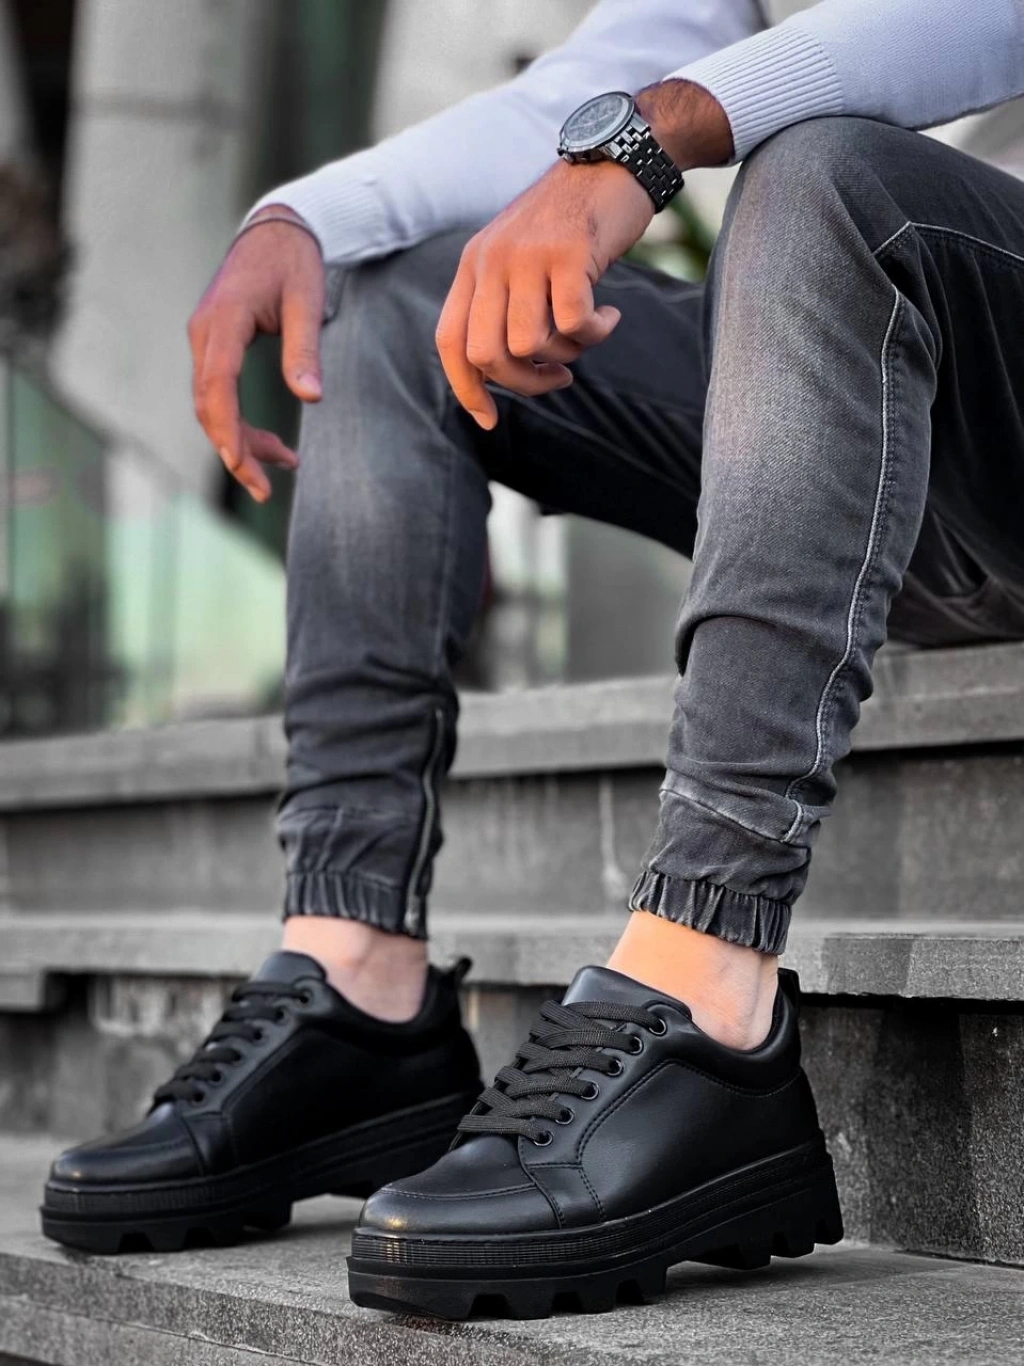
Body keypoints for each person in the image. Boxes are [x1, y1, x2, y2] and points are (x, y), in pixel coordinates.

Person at [42, 0, 1024, 1322]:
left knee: (822, 173)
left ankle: (706, 984)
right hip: (888, 451)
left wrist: (644, 144)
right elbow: (614, 67)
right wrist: (301, 219)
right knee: (400, 295)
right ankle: (355, 980)